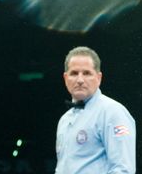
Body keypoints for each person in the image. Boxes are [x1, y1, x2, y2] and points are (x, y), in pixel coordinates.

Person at [55, 46, 136, 174]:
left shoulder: (112, 112)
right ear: (65, 78)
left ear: (99, 78)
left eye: (87, 73)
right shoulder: (64, 120)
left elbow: (123, 170)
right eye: (74, 73)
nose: (80, 80)